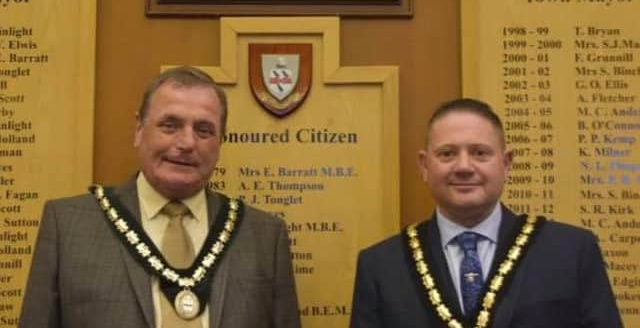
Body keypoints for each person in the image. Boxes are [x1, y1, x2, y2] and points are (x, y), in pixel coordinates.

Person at [19, 66, 301, 328]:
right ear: (139, 130)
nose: (187, 143)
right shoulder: (68, 227)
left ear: (220, 142)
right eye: (170, 125)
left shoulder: (264, 236)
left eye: (204, 130)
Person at [350, 98, 622, 328]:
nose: (464, 166)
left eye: (480, 153)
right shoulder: (381, 267)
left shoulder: (572, 252)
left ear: (506, 164)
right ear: (424, 166)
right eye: (447, 154)